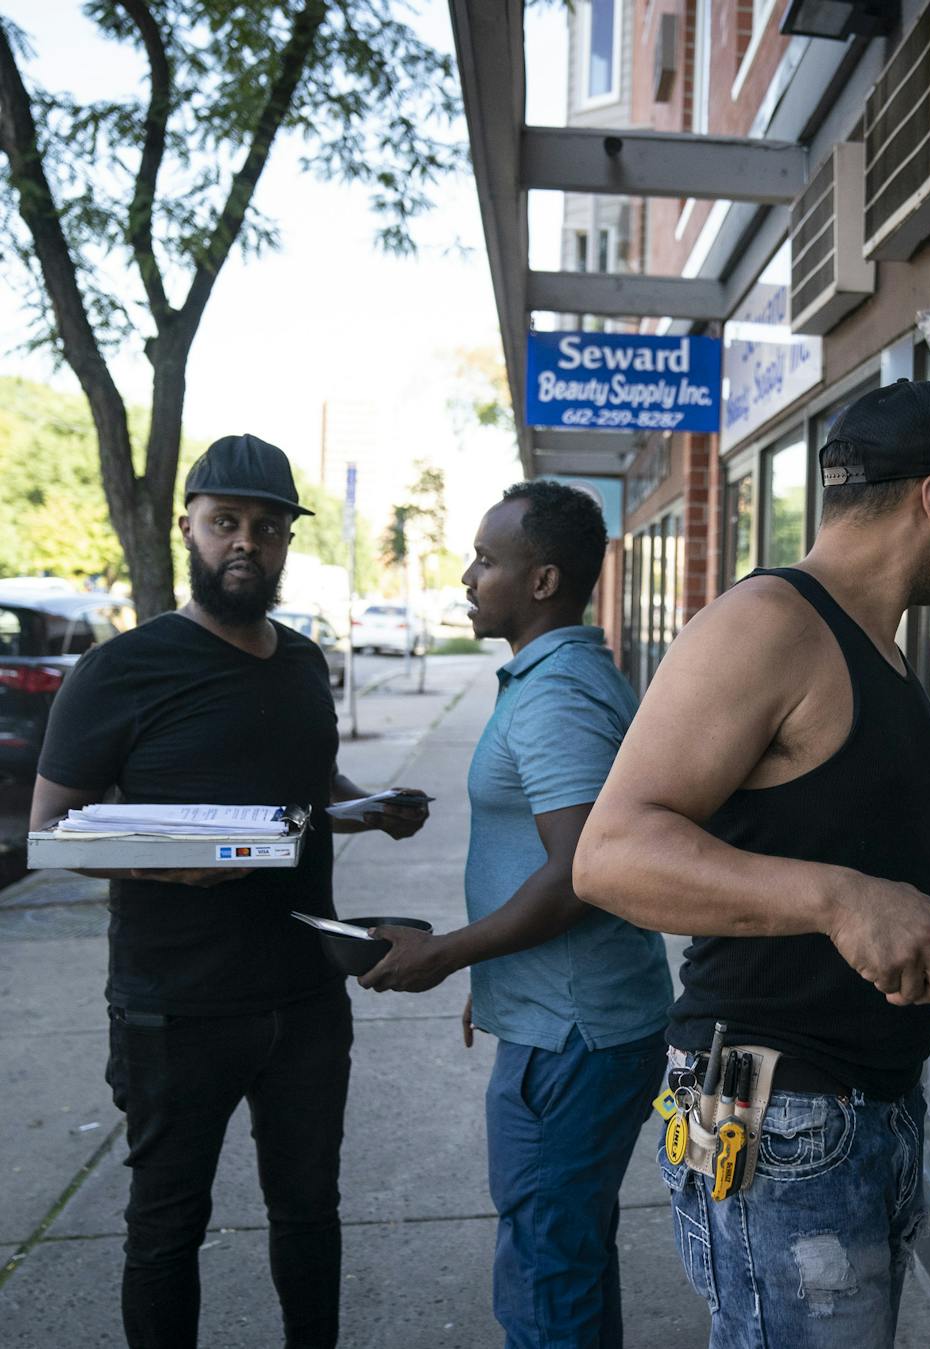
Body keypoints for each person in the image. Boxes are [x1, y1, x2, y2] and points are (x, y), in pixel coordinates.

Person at [573, 381, 930, 1345]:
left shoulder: (871, 642)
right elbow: (611, 852)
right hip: (773, 1108)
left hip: (855, 1108)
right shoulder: (770, 622)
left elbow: (868, 811)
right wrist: (840, 899)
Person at [30, 434, 430, 1349]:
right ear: (189, 531)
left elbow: (305, 783)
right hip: (174, 1004)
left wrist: (365, 810)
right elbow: (50, 832)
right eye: (224, 523)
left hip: (304, 993)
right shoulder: (121, 669)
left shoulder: (300, 661)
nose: (245, 541)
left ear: (287, 539)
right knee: (166, 1223)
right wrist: (163, 861)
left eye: (266, 526)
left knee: (309, 1212)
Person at [357, 480, 673, 1349]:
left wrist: (449, 953)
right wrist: (497, 965)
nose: (467, 574)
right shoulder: (555, 676)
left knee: (546, 1273)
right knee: (565, 1253)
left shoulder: (557, 695)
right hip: (565, 1012)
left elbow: (578, 875)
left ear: (543, 581)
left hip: (571, 1036)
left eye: (487, 559)